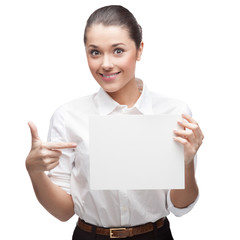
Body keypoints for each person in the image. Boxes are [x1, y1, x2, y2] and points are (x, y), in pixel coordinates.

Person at [26, 5, 204, 240]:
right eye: (95, 52)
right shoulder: (68, 116)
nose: (106, 64)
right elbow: (63, 211)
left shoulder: (174, 112)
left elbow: (180, 207)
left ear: (139, 50)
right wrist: (35, 171)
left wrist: (187, 163)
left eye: (118, 51)